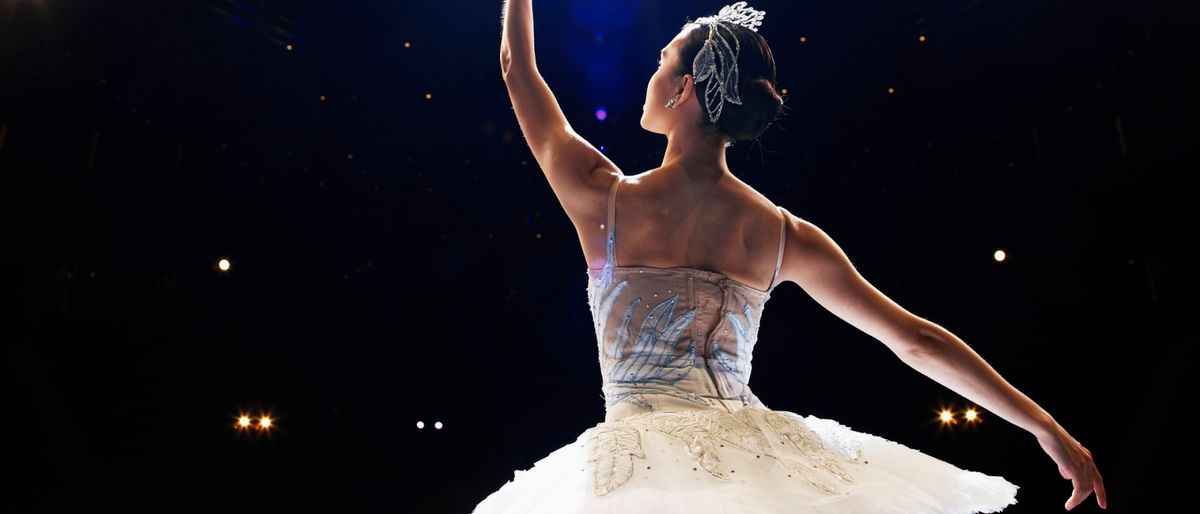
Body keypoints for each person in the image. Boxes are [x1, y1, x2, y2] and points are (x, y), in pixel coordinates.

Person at [481, 1, 1107, 512]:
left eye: (661, 60)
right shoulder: (783, 235)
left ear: (684, 89)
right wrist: (1045, 427)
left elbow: (517, 67)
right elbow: (915, 340)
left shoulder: (604, 200)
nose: (651, 73)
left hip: (635, 468)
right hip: (761, 465)